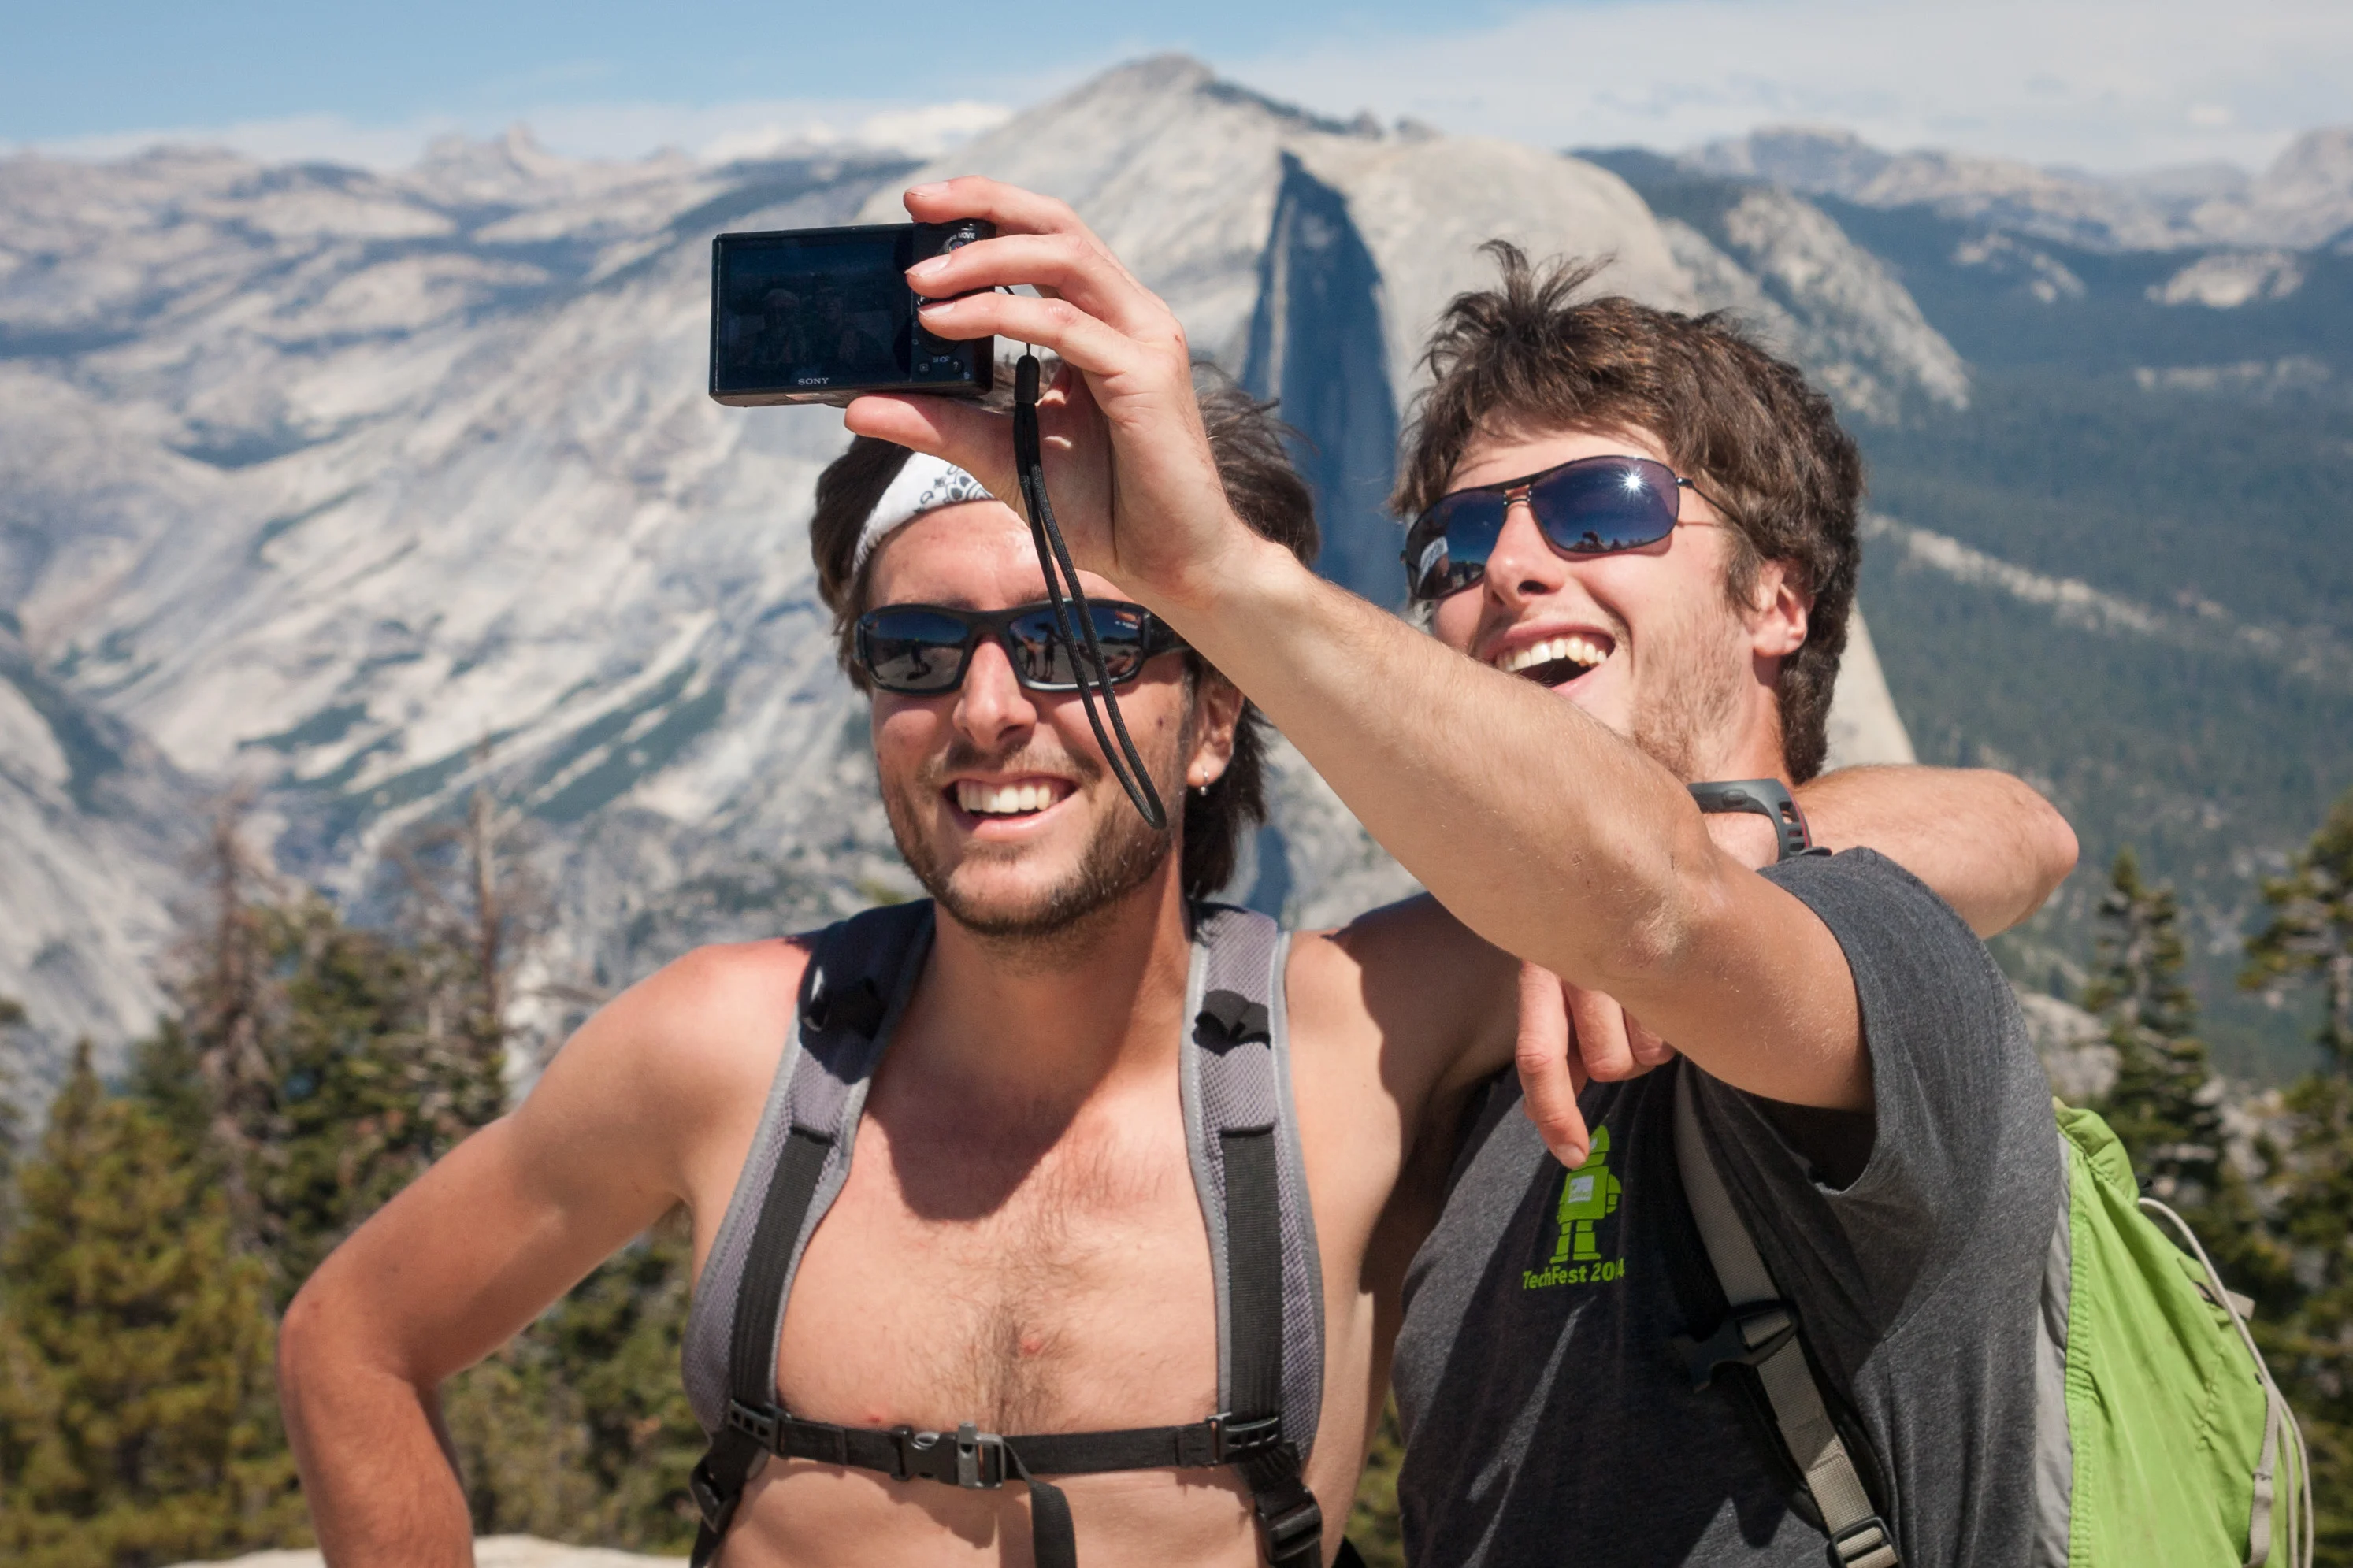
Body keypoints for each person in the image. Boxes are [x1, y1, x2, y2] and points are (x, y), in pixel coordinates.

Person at [277, 190, 2073, 1568]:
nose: (987, 710)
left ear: (1217, 721)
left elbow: (1994, 829)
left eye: (1073, 641)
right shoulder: (730, 1050)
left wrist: (1732, 840)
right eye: (914, 656)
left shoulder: (1366, 1026)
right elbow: (351, 1336)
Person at [846, 180, 2080, 1567]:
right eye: (1458, 544)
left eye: (1601, 509)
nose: (1513, 572)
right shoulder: (1450, 1005)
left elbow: (1951, 845)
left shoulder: (1868, 943)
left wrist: (1208, 580)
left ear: (1774, 600)